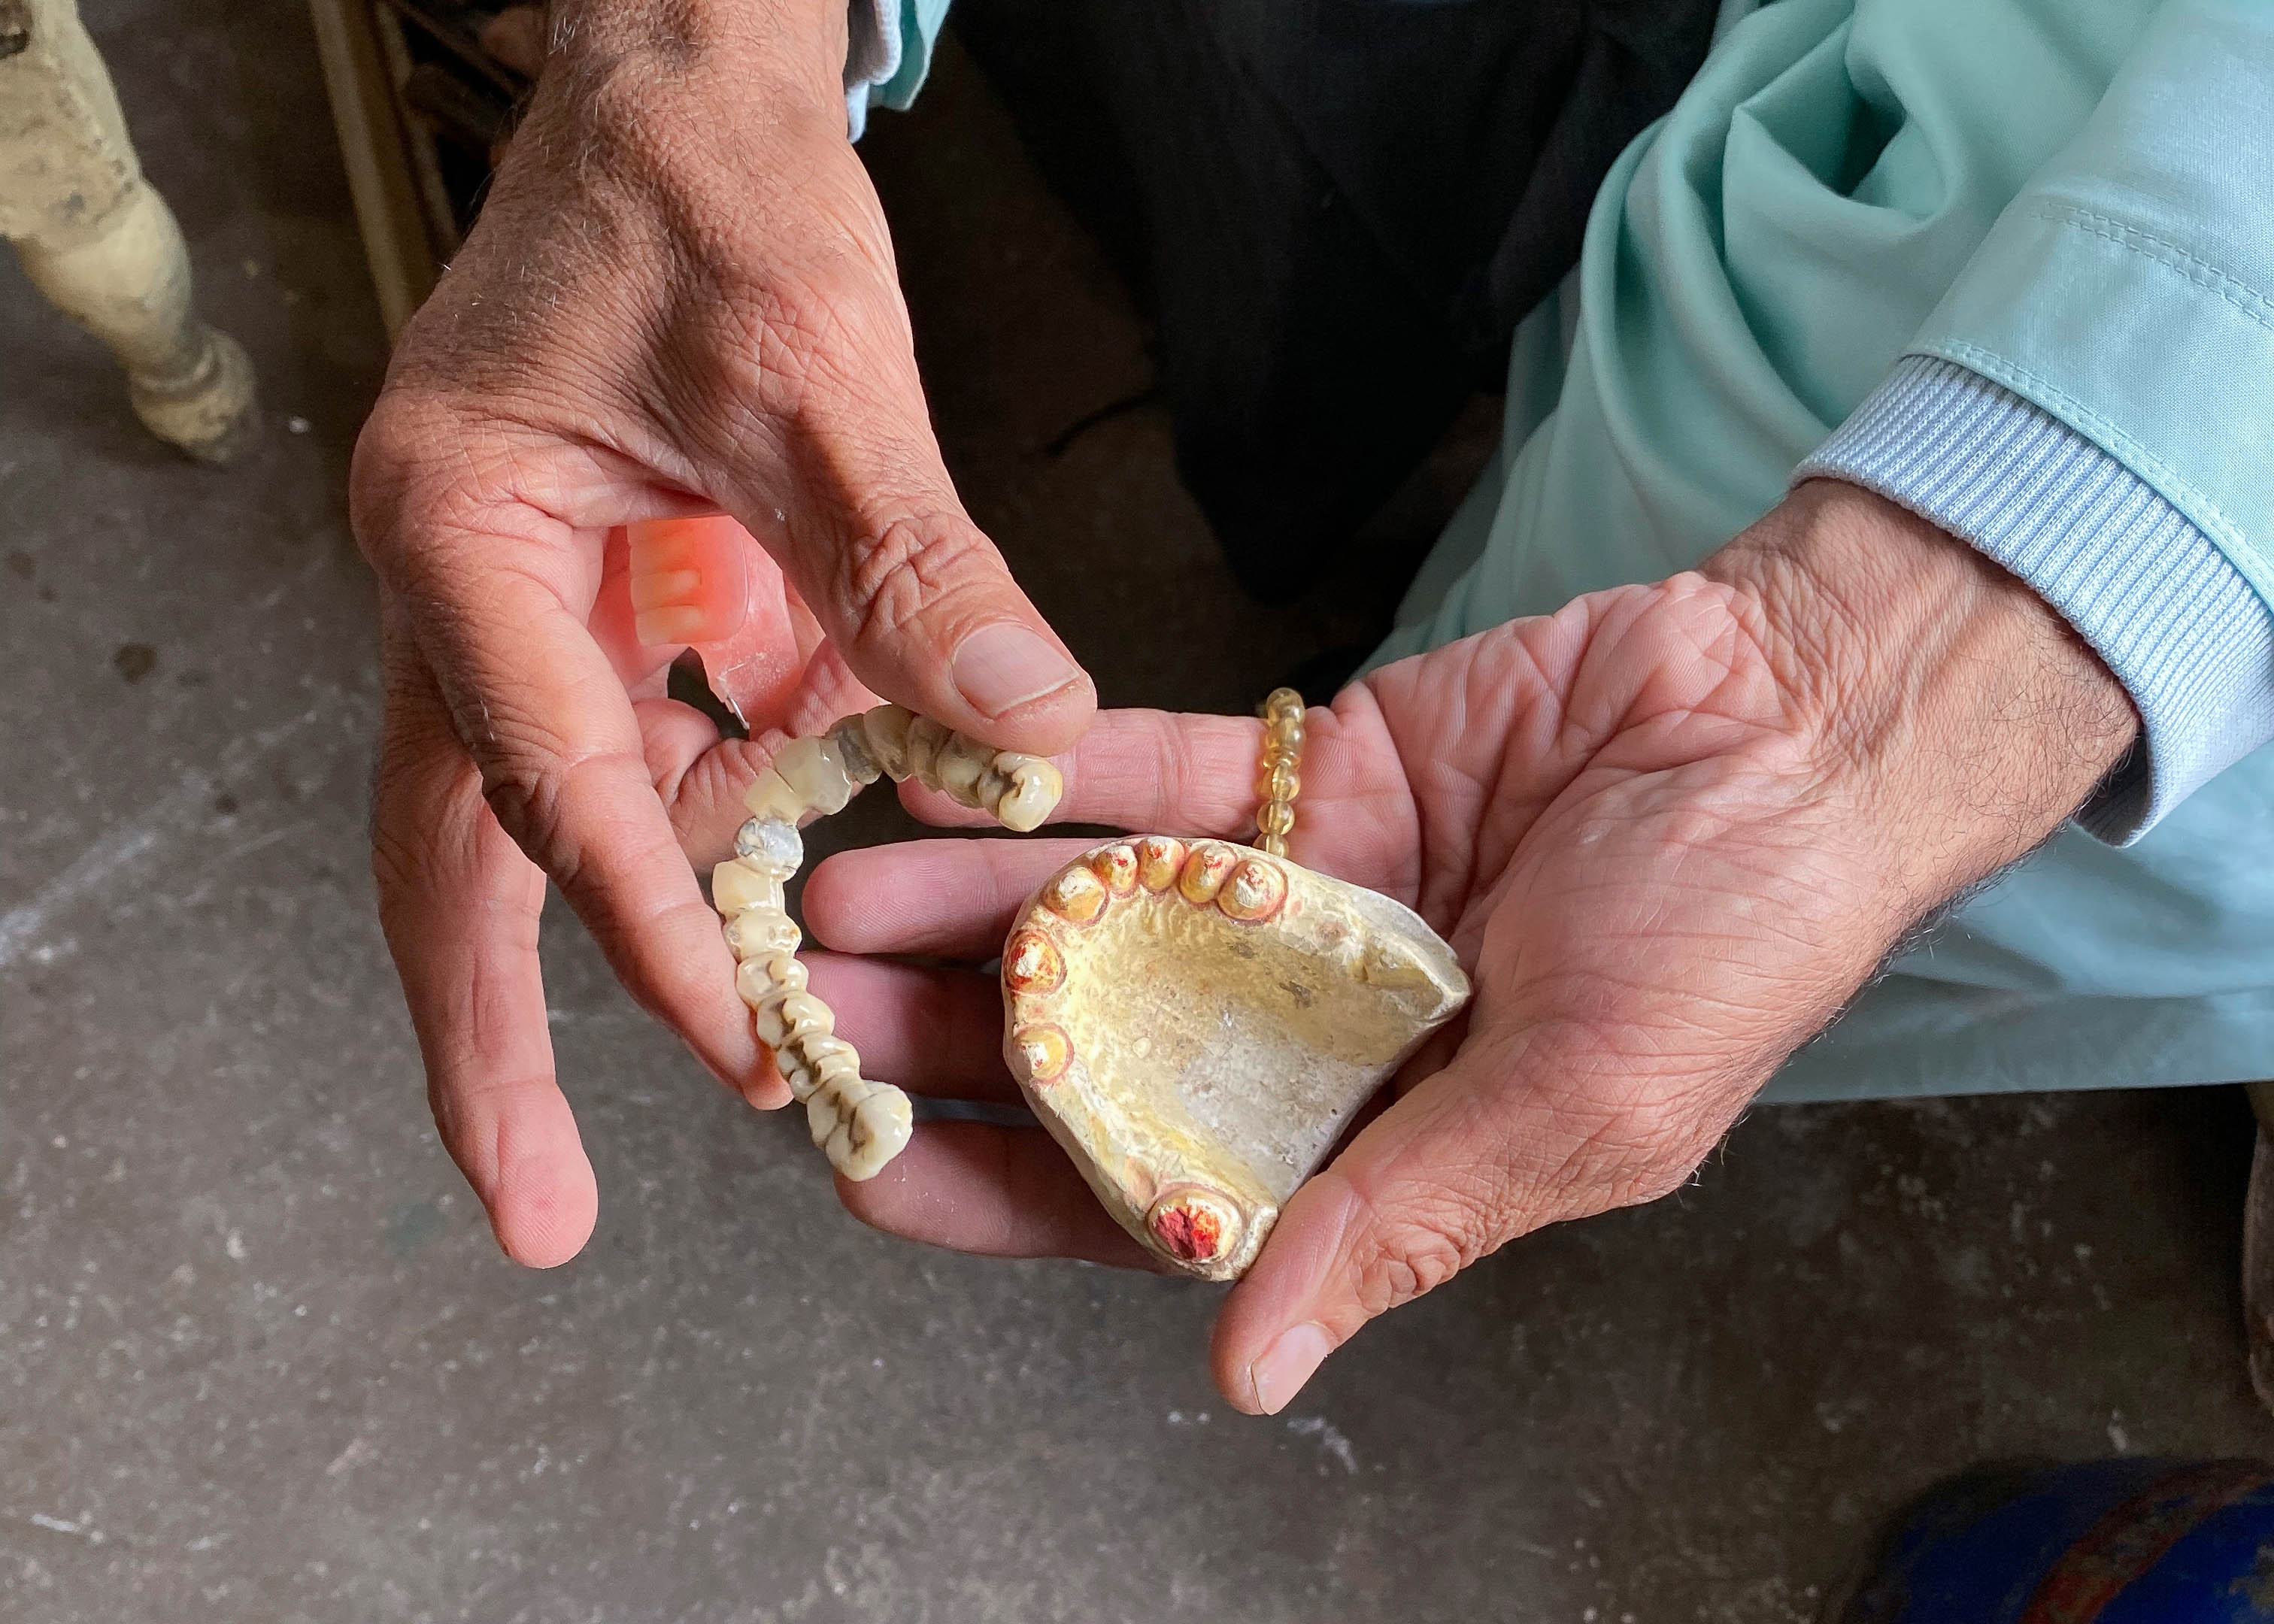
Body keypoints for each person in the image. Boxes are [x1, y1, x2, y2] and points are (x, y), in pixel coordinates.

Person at [350, 0, 2274, 1419]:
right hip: (1878, 177)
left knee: (1631, 863)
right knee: (1522, 744)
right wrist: (699, 51)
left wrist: (1950, 639)